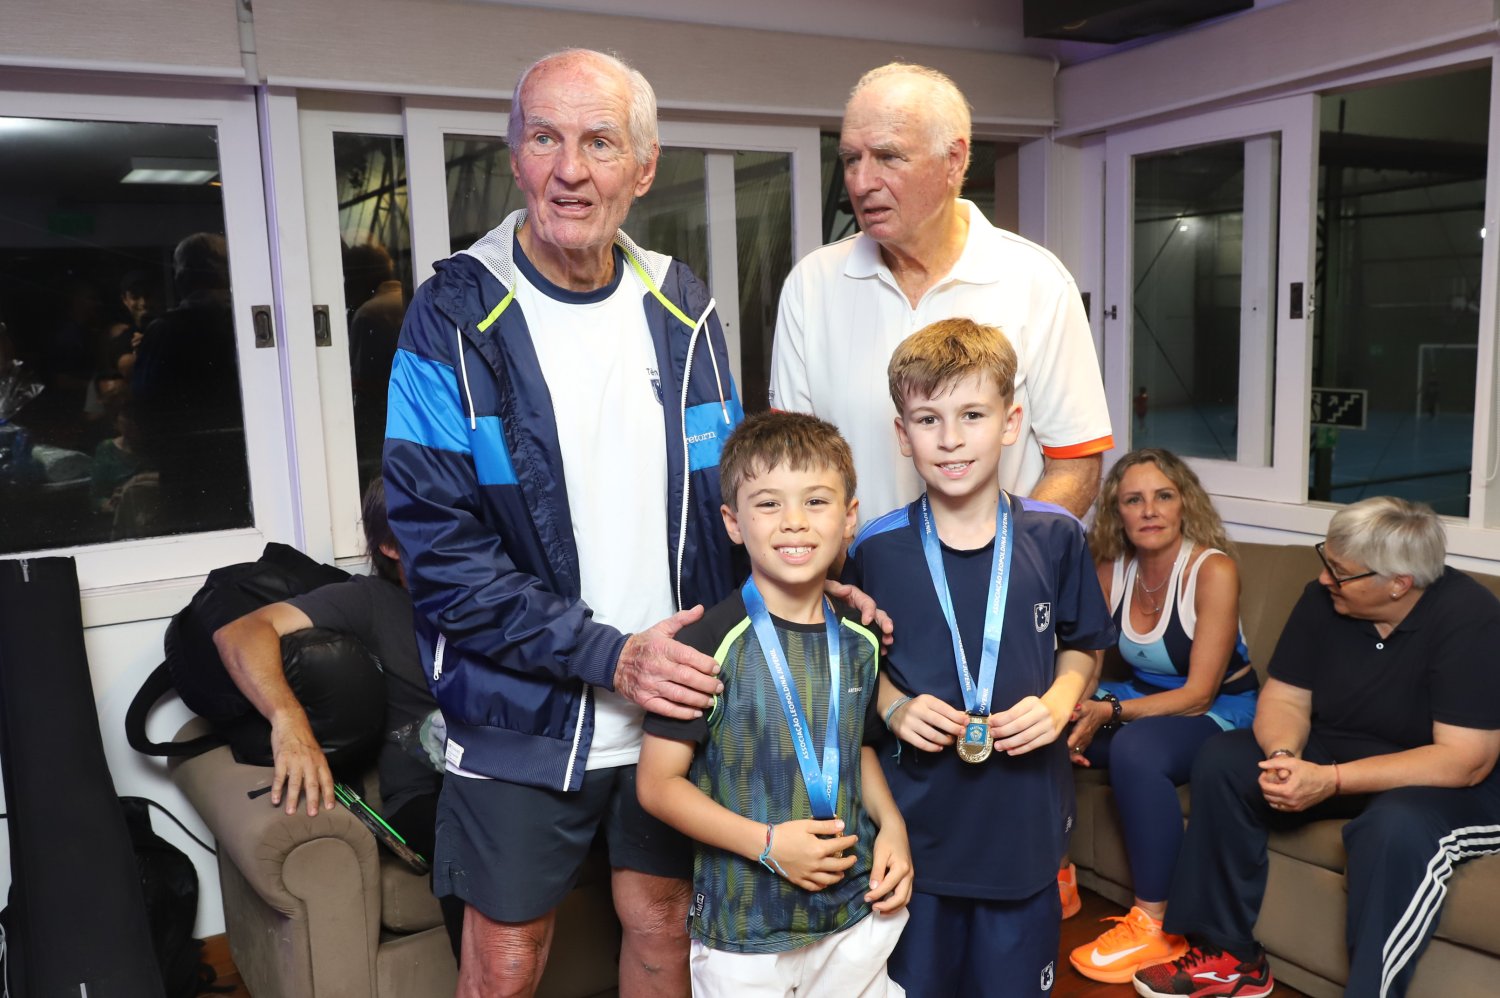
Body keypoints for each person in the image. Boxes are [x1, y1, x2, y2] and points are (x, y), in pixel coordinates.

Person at [381, 48, 744, 998]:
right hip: (521, 709)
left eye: (599, 143)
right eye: (544, 138)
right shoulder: (452, 315)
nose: (570, 170)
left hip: (674, 700)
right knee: (506, 960)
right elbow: (441, 556)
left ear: (644, 168)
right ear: (515, 156)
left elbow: (736, 500)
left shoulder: (684, 305)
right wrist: (608, 655)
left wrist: (808, 584)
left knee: (664, 924)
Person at [1134, 497, 1500, 998]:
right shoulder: (1324, 599)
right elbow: (1285, 696)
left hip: (1445, 782)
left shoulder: (1471, 620)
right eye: (1326, 561)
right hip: (1341, 749)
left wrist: (1330, 780)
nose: (1325, 578)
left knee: (1393, 828)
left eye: (1341, 573)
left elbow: (1464, 760)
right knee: (1225, 761)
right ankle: (1229, 957)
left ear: (1399, 583)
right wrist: (1284, 757)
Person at [848, 318, 1116, 997]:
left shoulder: (1056, 536)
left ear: (1010, 422)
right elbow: (851, 665)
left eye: (972, 414)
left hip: (1023, 825)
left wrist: (1060, 701)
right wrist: (893, 705)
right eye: (928, 420)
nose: (950, 438)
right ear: (902, 435)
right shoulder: (875, 550)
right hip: (914, 831)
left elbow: (1084, 643)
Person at [637, 411, 913, 997]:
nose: (794, 521)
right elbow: (657, 785)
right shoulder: (704, 645)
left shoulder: (861, 638)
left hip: (853, 916)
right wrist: (768, 845)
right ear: (733, 522)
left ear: (849, 516)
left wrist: (892, 825)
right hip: (745, 933)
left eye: (816, 501)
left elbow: (858, 746)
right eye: (768, 504)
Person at [769, 62, 1112, 523]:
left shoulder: (1037, 281)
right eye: (851, 159)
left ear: (953, 161)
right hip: (855, 566)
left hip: (1000, 566)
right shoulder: (811, 284)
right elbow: (793, 465)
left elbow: (1075, 465)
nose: (862, 182)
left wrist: (1011, 559)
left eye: (888, 157)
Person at [212, 477, 461, 952]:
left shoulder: (495, 594)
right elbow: (240, 634)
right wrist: (289, 723)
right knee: (471, 841)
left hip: (503, 776)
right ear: (390, 546)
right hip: (428, 796)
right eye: (428, 522)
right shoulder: (370, 601)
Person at [1061, 449, 1259, 984]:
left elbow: (1197, 695)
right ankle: (1057, 875)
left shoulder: (1212, 570)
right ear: (1117, 513)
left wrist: (1108, 712)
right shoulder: (1110, 569)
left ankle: (1156, 924)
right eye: (1134, 499)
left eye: (1163, 496)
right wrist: (1074, 713)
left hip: (1221, 709)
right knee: (1051, 724)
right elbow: (1089, 667)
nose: (1149, 510)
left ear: (1184, 504)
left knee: (1136, 748)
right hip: (1140, 697)